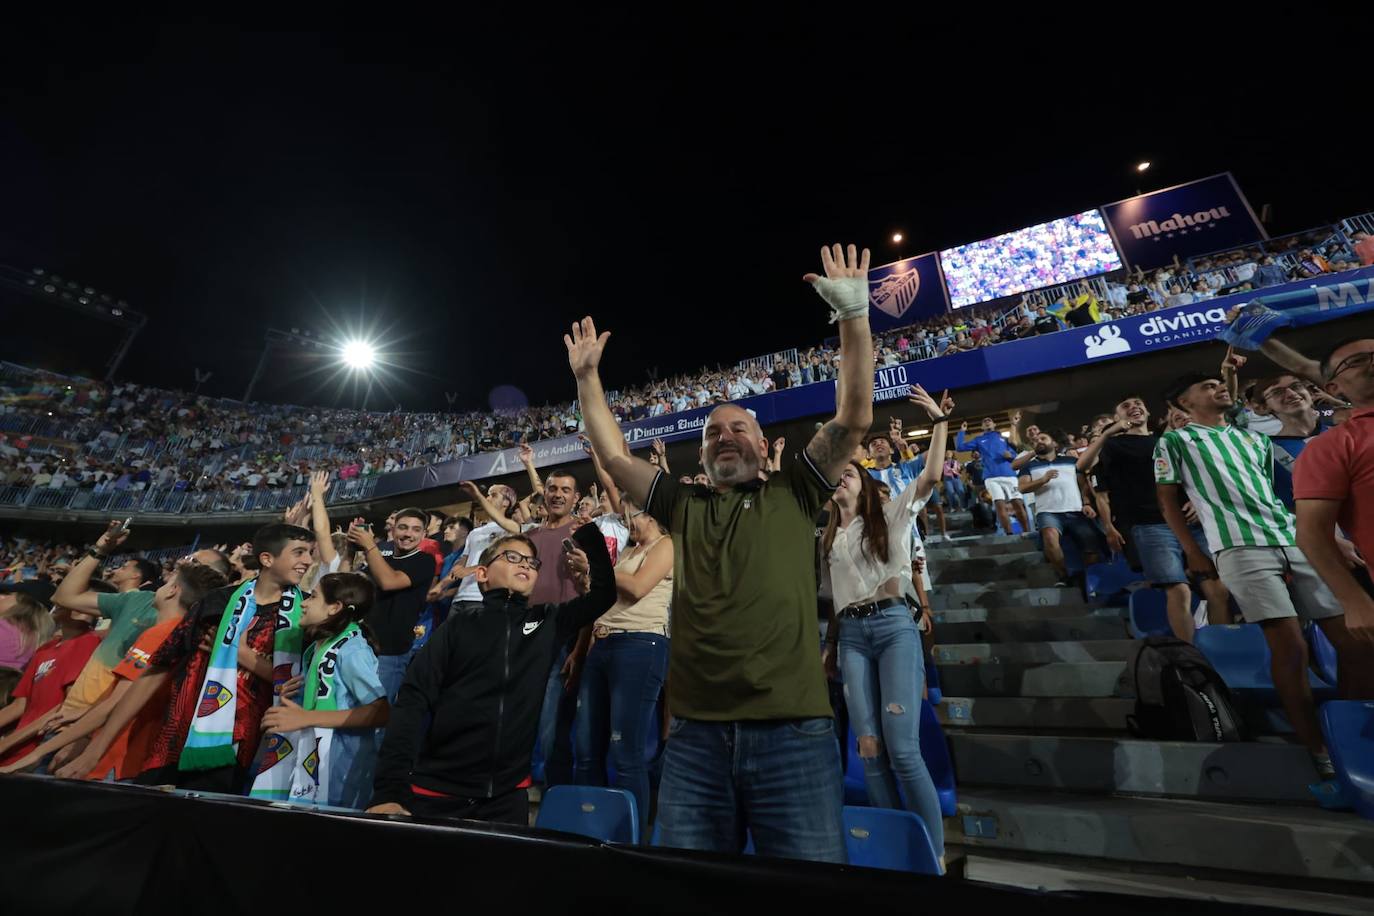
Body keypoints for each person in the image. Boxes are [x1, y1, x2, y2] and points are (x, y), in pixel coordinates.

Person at [565, 242, 875, 863]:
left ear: (765, 447)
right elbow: (616, 456)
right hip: (696, 740)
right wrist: (588, 378)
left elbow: (855, 417)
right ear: (700, 456)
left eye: (739, 428)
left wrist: (853, 317)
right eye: (711, 432)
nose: (724, 435)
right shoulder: (683, 506)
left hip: (792, 732)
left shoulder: (797, 492)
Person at [1155, 373, 1363, 784]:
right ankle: (1317, 748)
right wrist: (1194, 551)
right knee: (1291, 648)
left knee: (1353, 641)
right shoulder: (1176, 441)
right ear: (1184, 402)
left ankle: (1354, 730)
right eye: (1207, 385)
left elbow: (1270, 494)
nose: (1219, 388)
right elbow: (1167, 502)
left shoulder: (1255, 440)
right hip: (1238, 547)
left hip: (1292, 537)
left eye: (1221, 383)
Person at [366, 525, 616, 824]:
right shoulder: (456, 627)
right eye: (512, 556)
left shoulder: (548, 621)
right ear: (482, 573)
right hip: (439, 792)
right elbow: (412, 701)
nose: (525, 563)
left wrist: (589, 534)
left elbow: (604, 595)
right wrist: (389, 790)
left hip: (507, 797)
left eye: (531, 562)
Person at [820, 385, 953, 868]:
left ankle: (932, 855)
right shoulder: (829, 536)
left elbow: (932, 474)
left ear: (865, 482)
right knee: (869, 746)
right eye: (838, 474)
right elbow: (836, 601)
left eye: (850, 472)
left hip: (894, 626)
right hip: (852, 635)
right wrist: (831, 645)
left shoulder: (892, 514)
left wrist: (938, 423)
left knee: (902, 747)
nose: (842, 478)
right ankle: (897, 851)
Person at [89, 523, 315, 793]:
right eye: (299, 552)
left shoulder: (306, 614)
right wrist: (96, 749)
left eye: (310, 552)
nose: (308, 561)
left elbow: (296, 683)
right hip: (176, 739)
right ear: (267, 559)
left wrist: (240, 654)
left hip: (238, 747)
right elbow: (159, 670)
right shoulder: (218, 602)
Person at [5, 564, 229, 778]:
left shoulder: (161, 635)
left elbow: (115, 705)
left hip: (118, 756)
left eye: (167, 581)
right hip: (132, 755)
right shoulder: (181, 635)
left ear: (172, 590)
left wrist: (38, 753)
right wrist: (84, 712)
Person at [1076, 397, 1229, 642]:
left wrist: (1196, 501)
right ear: (1117, 419)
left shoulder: (1167, 440)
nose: (1134, 406)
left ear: (1148, 411)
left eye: (1138, 403)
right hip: (1150, 524)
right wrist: (1110, 433)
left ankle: (1221, 649)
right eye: (1125, 405)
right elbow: (1083, 465)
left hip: (1189, 523)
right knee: (1178, 590)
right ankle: (1192, 658)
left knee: (1218, 590)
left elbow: (1191, 475)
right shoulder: (1113, 446)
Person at [572, 497, 672, 839]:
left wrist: (596, 566)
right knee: (586, 750)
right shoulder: (627, 553)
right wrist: (586, 579)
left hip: (640, 645)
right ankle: (589, 832)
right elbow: (604, 596)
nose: (626, 521)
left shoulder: (666, 545)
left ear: (650, 515)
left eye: (631, 514)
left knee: (625, 752)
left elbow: (639, 587)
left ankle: (631, 840)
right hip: (603, 644)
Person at [258, 572, 389, 808]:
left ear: (334, 607)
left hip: (341, 771)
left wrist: (305, 717)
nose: (304, 602)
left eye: (313, 597)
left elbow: (380, 711)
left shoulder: (352, 649)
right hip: (315, 762)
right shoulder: (319, 647)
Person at [1294, 337, 1374, 651]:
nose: (1372, 361)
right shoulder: (1331, 446)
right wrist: (1352, 599)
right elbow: (1311, 533)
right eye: (1356, 361)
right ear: (1333, 388)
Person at [346, 508, 436, 704]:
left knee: (375, 719)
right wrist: (351, 548)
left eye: (415, 529)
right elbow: (348, 586)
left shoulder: (424, 561)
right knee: (349, 710)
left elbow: (389, 581)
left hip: (390, 653)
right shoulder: (381, 559)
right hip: (361, 646)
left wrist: (370, 545)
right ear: (393, 530)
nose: (408, 534)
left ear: (424, 535)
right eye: (403, 527)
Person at [0, 600, 101, 765]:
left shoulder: (87, 643)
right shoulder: (46, 648)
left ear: (85, 611)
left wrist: (6, 743)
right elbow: (19, 705)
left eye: (66, 600)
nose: (57, 601)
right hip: (18, 747)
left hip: (42, 749)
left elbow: (66, 707)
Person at [1018, 430, 1108, 586]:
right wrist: (1042, 480)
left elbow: (1083, 484)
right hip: (1048, 512)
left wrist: (1086, 503)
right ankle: (1064, 577)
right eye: (1035, 441)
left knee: (1090, 543)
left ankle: (1090, 580)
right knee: (1049, 537)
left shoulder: (1071, 461)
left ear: (1054, 444)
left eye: (1043, 438)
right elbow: (1023, 487)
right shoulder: (1028, 466)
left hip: (1075, 510)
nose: (1038, 441)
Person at [956, 417, 1029, 536]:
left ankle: (1027, 532)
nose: (987, 421)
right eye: (984, 421)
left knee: (1018, 505)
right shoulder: (979, 440)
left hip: (1009, 475)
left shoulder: (1004, 439)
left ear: (994, 424)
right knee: (1000, 506)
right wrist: (961, 432)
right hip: (991, 477)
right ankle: (1009, 534)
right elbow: (960, 448)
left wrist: (1009, 455)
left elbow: (1014, 455)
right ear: (982, 427)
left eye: (989, 420)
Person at [0, 585, 56, 672]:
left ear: (26, 606)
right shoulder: (34, 637)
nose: (2, 596)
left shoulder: (6, 628)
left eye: (7, 594)